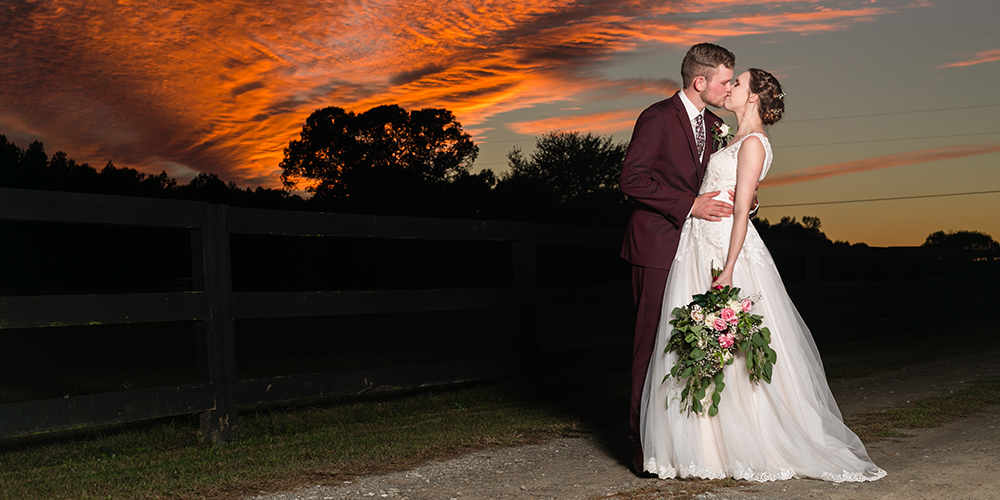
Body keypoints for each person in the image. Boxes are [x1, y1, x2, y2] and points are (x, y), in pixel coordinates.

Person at [639, 68, 886, 482]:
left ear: (753, 97)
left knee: (731, 346)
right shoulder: (730, 136)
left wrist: (730, 266)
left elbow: (741, 208)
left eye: (737, 83)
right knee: (696, 340)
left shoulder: (753, 143)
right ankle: (702, 448)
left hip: (723, 248)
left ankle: (744, 442)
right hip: (696, 243)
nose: (729, 87)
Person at [619, 43, 737, 474]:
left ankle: (685, 438)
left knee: (691, 342)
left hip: (699, 250)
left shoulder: (718, 125)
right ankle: (639, 442)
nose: (730, 88)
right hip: (655, 246)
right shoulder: (656, 117)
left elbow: (715, 181)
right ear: (700, 81)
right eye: (725, 80)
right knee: (649, 344)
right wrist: (690, 205)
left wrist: (739, 201)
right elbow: (631, 179)